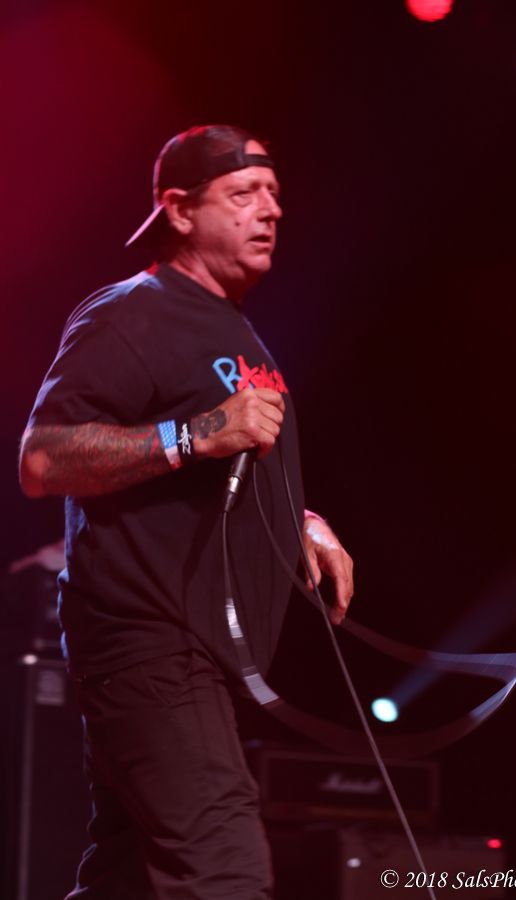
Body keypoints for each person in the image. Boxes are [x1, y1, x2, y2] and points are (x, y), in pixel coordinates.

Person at [19, 125, 354, 900]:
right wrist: (196, 433)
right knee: (225, 874)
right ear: (177, 210)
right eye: (243, 194)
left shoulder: (236, 330)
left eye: (273, 194)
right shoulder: (132, 312)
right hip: (152, 646)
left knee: (129, 880)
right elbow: (43, 460)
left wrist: (301, 522)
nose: (269, 210)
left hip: (203, 659)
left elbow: (228, 466)